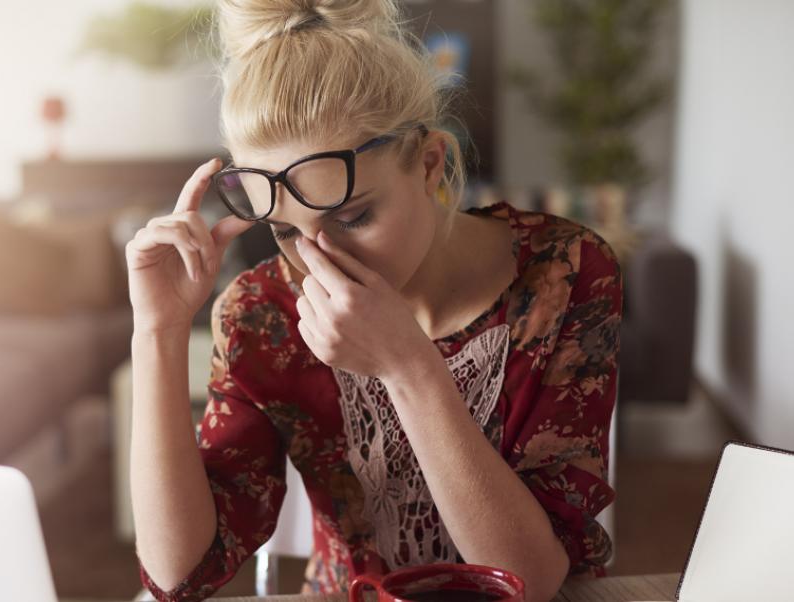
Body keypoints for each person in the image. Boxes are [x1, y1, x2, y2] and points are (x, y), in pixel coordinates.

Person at [124, 1, 622, 601]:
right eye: (286, 231)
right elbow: (180, 575)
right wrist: (158, 330)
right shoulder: (263, 314)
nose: (320, 260)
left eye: (354, 217)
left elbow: (530, 582)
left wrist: (408, 367)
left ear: (431, 163)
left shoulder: (562, 273)